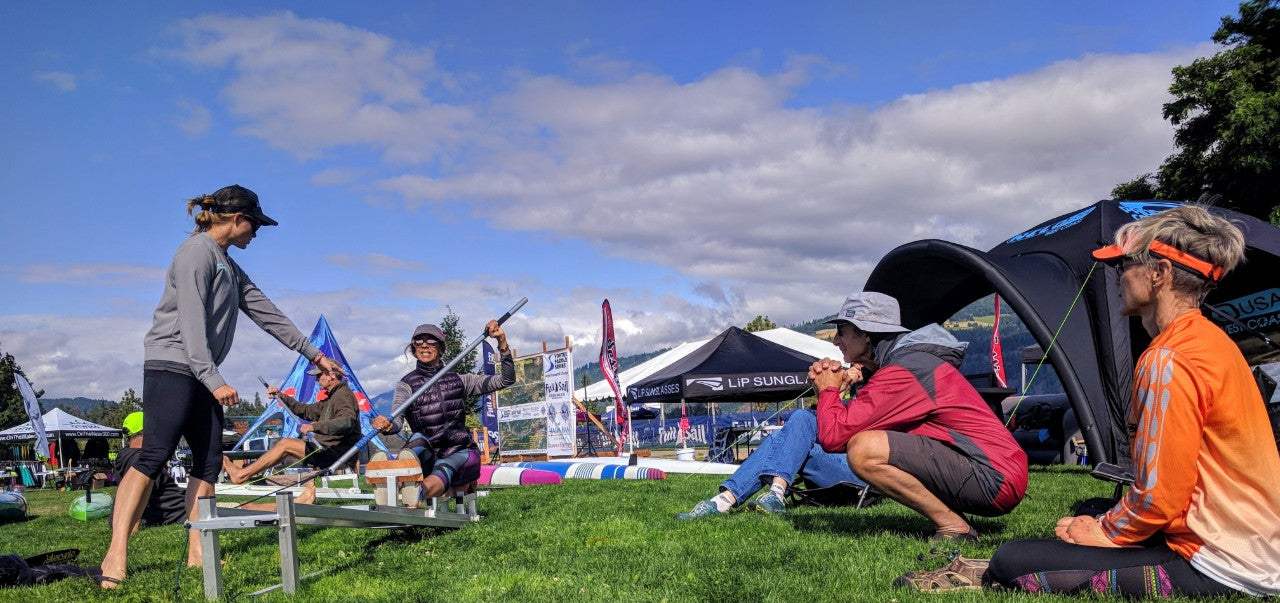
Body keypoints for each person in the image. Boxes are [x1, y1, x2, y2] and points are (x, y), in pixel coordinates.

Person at [981, 205, 1280, 597]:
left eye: (1125, 265)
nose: (1118, 275)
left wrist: (1103, 532)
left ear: (1160, 273)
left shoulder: (1167, 357)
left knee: (1011, 559)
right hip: (1258, 544)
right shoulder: (1211, 342)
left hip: (1222, 562)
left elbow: (1158, 500)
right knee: (1089, 508)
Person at [97, 184, 346, 589]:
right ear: (236, 220)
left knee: (209, 461)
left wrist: (313, 354)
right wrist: (214, 380)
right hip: (173, 365)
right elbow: (193, 326)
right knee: (155, 453)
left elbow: (267, 312)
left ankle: (199, 553)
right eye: (256, 225)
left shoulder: (226, 263)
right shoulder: (195, 254)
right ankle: (116, 553)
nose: (256, 233)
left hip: (202, 370)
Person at [812, 291, 1028, 540]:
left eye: (842, 330)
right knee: (865, 441)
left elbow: (833, 436)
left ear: (867, 335)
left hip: (994, 477)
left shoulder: (905, 370)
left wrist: (828, 389)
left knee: (864, 449)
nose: (836, 341)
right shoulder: (906, 364)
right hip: (992, 469)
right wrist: (838, 390)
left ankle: (954, 527)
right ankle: (954, 518)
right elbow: (848, 425)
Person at [372, 321, 514, 502]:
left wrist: (502, 343)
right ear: (414, 349)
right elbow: (397, 421)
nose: (424, 345)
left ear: (440, 349)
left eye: (431, 341)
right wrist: (388, 425)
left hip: (460, 451)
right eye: (418, 341)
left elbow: (506, 380)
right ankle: (390, 484)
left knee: (444, 466)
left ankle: (416, 494)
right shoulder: (406, 384)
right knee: (417, 440)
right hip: (427, 452)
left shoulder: (460, 380)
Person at [676, 406, 871, 518]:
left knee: (797, 423)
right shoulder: (861, 384)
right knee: (785, 435)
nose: (838, 340)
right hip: (838, 459)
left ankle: (725, 501)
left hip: (859, 468)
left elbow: (845, 433)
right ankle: (732, 499)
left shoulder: (881, 385)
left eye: (844, 334)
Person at [221, 365, 364, 505]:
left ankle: (242, 475)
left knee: (286, 444)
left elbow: (347, 421)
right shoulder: (332, 397)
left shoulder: (342, 395)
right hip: (329, 450)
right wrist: (282, 397)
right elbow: (307, 410)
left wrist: (314, 426)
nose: (316, 380)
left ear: (331, 375)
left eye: (319, 376)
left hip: (336, 453)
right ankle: (248, 475)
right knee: (286, 444)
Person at [109, 412, 185, 529]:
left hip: (168, 514)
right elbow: (139, 492)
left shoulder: (128, 456)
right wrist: (130, 528)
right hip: (175, 516)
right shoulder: (142, 462)